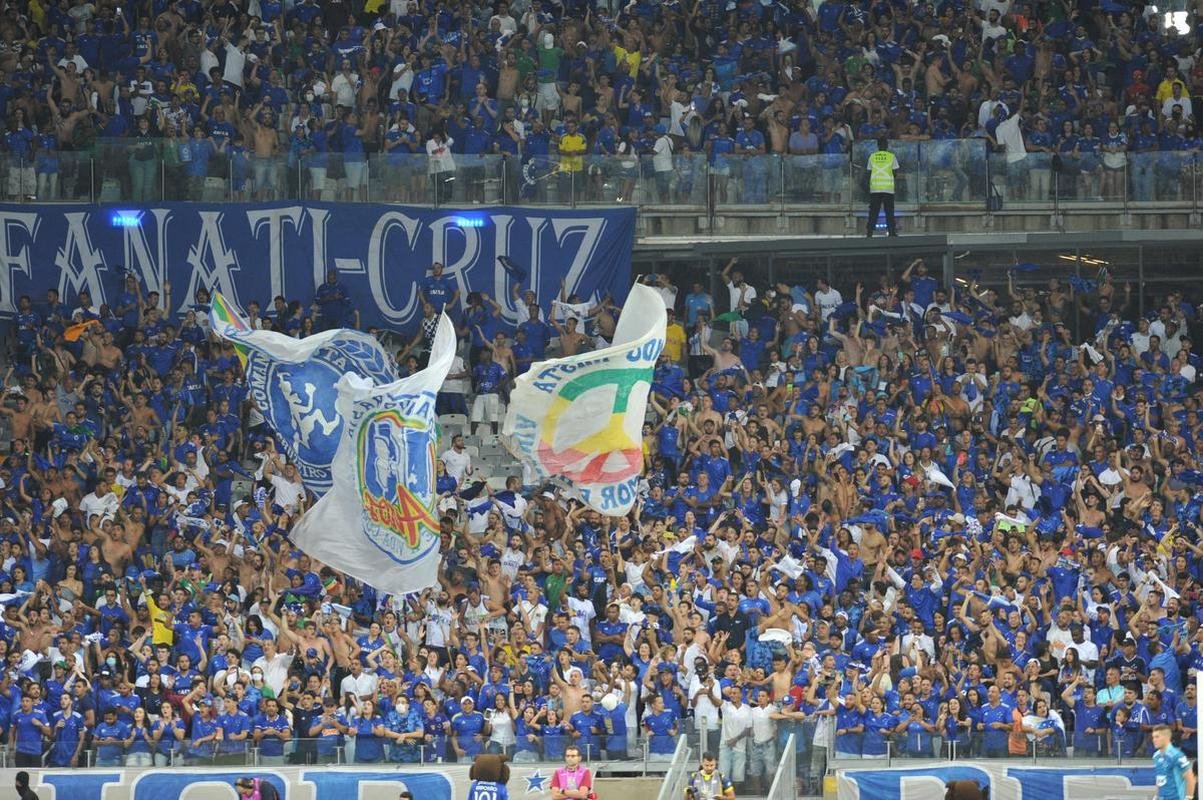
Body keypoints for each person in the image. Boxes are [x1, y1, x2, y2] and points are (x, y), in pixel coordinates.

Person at [865, 136, 899, 237]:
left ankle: (869, 233)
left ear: (878, 145)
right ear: (887, 145)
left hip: (875, 188)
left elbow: (869, 172)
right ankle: (892, 232)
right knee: (889, 211)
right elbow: (895, 172)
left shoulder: (872, 156)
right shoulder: (891, 156)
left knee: (873, 211)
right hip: (888, 188)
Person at [1152, 725, 1196, 800]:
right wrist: (1156, 796)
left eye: (1157, 737)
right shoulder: (1156, 756)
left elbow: (1190, 778)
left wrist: (1189, 797)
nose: (1154, 740)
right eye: (1153, 737)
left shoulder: (1177, 755)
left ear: (1166, 738)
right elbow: (1159, 778)